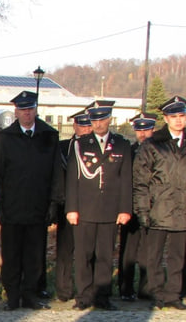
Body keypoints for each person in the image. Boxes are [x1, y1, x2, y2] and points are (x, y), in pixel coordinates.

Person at [0, 90, 63, 310]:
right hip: (12, 207)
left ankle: (30, 295)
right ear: (16, 112)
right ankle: (12, 296)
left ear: (35, 110)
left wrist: (54, 203)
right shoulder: (6, 137)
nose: (27, 114)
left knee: (34, 256)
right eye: (23, 110)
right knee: (12, 255)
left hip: (38, 206)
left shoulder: (48, 136)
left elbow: (56, 173)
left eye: (30, 109)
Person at [64, 102, 132, 310]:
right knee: (84, 255)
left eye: (103, 119)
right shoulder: (80, 145)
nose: (99, 124)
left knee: (104, 256)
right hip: (84, 209)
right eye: (95, 120)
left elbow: (126, 179)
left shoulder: (122, 145)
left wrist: (125, 209)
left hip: (110, 209)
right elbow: (72, 180)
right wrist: (71, 208)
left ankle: (102, 296)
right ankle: (83, 296)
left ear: (110, 120)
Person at [133, 95, 186, 310]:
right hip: (158, 209)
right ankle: (156, 293)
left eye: (182, 116)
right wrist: (142, 209)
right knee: (152, 257)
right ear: (166, 118)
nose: (179, 120)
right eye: (174, 117)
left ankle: (173, 293)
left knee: (178, 257)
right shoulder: (153, 144)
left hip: (182, 210)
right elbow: (140, 180)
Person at [54, 109, 93, 302]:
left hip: (90, 205)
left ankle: (87, 289)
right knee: (65, 249)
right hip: (66, 204)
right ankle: (64, 289)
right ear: (75, 126)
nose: (85, 129)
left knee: (88, 249)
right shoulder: (62, 147)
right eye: (82, 125)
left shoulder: (97, 147)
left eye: (88, 125)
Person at [118, 112, 157, 301]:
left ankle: (146, 288)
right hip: (131, 205)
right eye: (139, 129)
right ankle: (125, 288)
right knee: (128, 250)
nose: (142, 134)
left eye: (146, 129)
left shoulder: (158, 151)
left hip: (152, 206)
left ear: (153, 129)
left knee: (148, 251)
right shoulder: (129, 151)